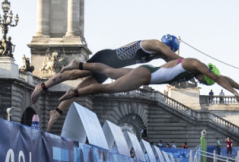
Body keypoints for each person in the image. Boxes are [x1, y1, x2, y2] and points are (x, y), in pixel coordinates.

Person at [31, 35, 182, 130]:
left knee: (80, 90)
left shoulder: (156, 55)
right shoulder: (155, 44)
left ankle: (56, 112)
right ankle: (42, 86)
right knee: (75, 73)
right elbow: (175, 59)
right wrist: (192, 67)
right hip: (106, 58)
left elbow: (170, 64)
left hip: (110, 68)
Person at [58, 58, 239, 110]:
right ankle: (74, 93)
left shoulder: (195, 71)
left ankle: (79, 64)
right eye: (202, 80)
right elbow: (218, 78)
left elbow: (223, 77)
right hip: (145, 76)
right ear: (203, 73)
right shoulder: (193, 64)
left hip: (147, 72)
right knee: (108, 88)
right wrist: (233, 93)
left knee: (110, 71)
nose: (199, 82)